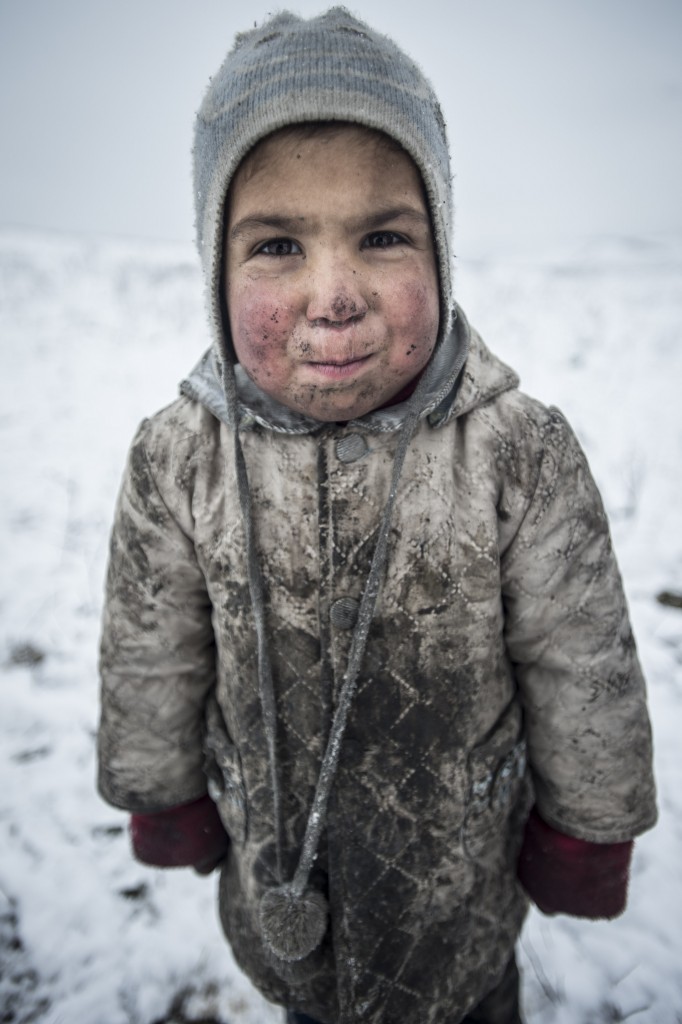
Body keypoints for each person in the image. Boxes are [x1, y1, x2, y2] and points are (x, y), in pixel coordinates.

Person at [97, 9, 657, 1024]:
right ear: (213, 273)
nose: (334, 294)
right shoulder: (180, 459)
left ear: (440, 245)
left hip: (461, 900)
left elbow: (582, 660)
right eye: (275, 243)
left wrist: (587, 831)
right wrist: (163, 794)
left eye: (383, 236)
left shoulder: (514, 450)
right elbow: (151, 651)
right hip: (285, 895)